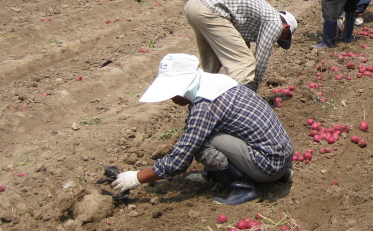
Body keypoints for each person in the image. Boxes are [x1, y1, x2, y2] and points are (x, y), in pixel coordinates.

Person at [110, 53, 294, 205]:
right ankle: (269, 175)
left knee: (201, 144)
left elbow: (179, 159)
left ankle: (244, 188)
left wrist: (137, 177)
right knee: (212, 132)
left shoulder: (205, 106)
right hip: (280, 156)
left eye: (172, 93)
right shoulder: (217, 82)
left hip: (269, 165)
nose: (171, 99)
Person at [184, 0, 297, 92]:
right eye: (284, 37)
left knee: (211, 66)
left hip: (194, 5)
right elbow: (261, 59)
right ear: (285, 27)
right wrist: (252, 91)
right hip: (212, 9)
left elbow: (241, 44)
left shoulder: (260, 15)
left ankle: (201, 100)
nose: (278, 40)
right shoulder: (275, 23)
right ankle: (237, 105)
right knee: (245, 65)